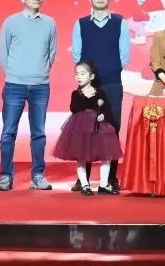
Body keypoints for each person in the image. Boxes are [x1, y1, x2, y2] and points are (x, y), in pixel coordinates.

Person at [0, 0, 57, 191]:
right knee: (8, 132)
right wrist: (13, 74)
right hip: (14, 85)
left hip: (40, 86)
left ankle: (38, 176)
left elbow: (51, 52)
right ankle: (5, 176)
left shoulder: (49, 23)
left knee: (38, 133)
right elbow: (2, 53)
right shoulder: (11, 22)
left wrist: (41, 72)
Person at [70, 0, 130, 191]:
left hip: (112, 83)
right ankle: (83, 179)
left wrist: (110, 69)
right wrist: (87, 78)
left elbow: (124, 56)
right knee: (85, 128)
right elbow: (77, 54)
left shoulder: (120, 23)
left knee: (111, 128)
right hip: (89, 86)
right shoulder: (81, 24)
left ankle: (111, 178)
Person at [52, 60, 123, 195]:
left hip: (98, 128)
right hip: (81, 128)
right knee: (81, 156)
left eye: (82, 74)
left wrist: (103, 115)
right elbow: (74, 108)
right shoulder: (76, 94)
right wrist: (83, 95)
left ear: (91, 76)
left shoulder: (100, 93)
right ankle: (84, 184)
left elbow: (106, 109)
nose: (79, 77)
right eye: (76, 74)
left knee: (106, 155)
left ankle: (103, 184)